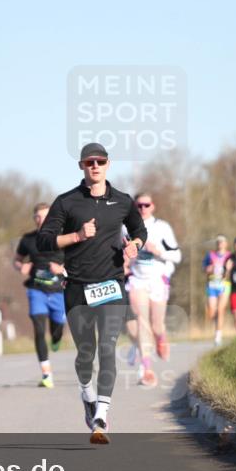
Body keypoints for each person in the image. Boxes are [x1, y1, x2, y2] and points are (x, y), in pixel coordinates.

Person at [36, 142, 146, 444]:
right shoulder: (67, 202)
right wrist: (76, 235)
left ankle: (101, 416)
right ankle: (87, 395)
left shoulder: (123, 202)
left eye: (99, 161)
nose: (94, 166)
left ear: (108, 164)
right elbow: (44, 241)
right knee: (86, 353)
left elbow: (140, 230)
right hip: (78, 289)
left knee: (108, 348)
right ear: (81, 166)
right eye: (88, 162)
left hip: (111, 285)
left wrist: (135, 244)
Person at [123, 192, 181, 387]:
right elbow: (117, 251)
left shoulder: (162, 227)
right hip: (137, 279)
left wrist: (158, 251)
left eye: (146, 205)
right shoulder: (125, 227)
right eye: (138, 206)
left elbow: (177, 255)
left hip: (157, 279)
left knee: (156, 325)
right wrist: (123, 262)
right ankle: (147, 369)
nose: (142, 209)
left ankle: (161, 337)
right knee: (141, 322)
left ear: (152, 206)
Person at [15, 202, 67, 388]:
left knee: (56, 330)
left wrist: (61, 268)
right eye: (38, 216)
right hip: (36, 290)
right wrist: (22, 267)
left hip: (59, 291)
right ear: (34, 219)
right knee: (38, 328)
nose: (41, 220)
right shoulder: (28, 239)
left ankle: (56, 338)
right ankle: (46, 374)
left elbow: (76, 262)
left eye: (45, 216)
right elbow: (17, 260)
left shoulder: (62, 238)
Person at [202, 235, 231, 346]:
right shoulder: (210, 255)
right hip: (212, 284)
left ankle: (218, 335)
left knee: (220, 310)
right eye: (219, 242)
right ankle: (217, 327)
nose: (220, 244)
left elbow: (232, 269)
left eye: (222, 242)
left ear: (226, 244)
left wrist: (228, 270)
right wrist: (208, 269)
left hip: (224, 284)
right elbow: (204, 267)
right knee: (212, 312)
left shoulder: (229, 256)